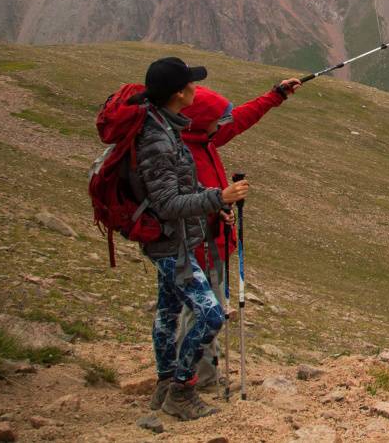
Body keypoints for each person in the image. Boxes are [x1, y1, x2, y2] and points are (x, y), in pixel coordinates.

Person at [129, 56, 249, 421]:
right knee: (211, 314)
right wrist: (218, 198)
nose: (197, 88)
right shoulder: (158, 139)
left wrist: (213, 206)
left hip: (171, 239)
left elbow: (180, 185)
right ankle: (182, 389)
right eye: (192, 83)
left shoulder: (165, 126)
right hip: (170, 243)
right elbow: (166, 202)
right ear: (179, 93)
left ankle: (165, 385)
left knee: (167, 314)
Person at [174, 76, 302, 389]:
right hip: (197, 247)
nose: (223, 124)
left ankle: (197, 373)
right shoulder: (182, 153)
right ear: (201, 122)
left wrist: (276, 95)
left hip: (211, 243)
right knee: (206, 313)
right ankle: (195, 380)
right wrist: (218, 203)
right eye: (217, 120)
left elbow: (239, 120)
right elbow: (178, 201)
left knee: (199, 310)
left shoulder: (201, 140)